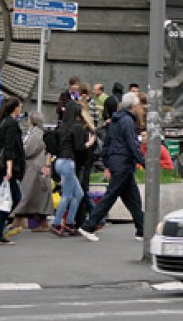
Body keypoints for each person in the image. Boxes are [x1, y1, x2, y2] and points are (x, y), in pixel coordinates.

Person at [77, 92, 145, 242]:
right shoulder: (127, 121)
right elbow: (132, 144)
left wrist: (107, 163)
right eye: (139, 105)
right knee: (111, 197)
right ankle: (89, 226)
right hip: (123, 164)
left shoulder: (115, 120)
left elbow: (108, 143)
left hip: (118, 163)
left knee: (133, 199)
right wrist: (144, 161)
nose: (140, 108)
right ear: (133, 107)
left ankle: (142, 229)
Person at [49, 101, 95, 236]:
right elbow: (79, 148)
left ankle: (69, 222)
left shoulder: (61, 127)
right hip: (68, 162)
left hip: (58, 162)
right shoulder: (77, 127)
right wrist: (89, 143)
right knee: (68, 195)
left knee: (79, 193)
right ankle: (57, 223)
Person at [0, 96, 26, 245]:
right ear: (15, 108)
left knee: (8, 198)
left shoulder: (2, 122)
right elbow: (9, 147)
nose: (21, 109)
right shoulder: (10, 124)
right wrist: (9, 168)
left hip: (1, 167)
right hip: (6, 167)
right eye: (20, 107)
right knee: (12, 198)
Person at [11, 112, 53, 233]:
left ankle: (19, 220)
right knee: (36, 197)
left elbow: (28, 150)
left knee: (27, 195)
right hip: (39, 167)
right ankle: (22, 220)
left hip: (34, 168)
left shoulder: (35, 134)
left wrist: (21, 149)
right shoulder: (41, 132)